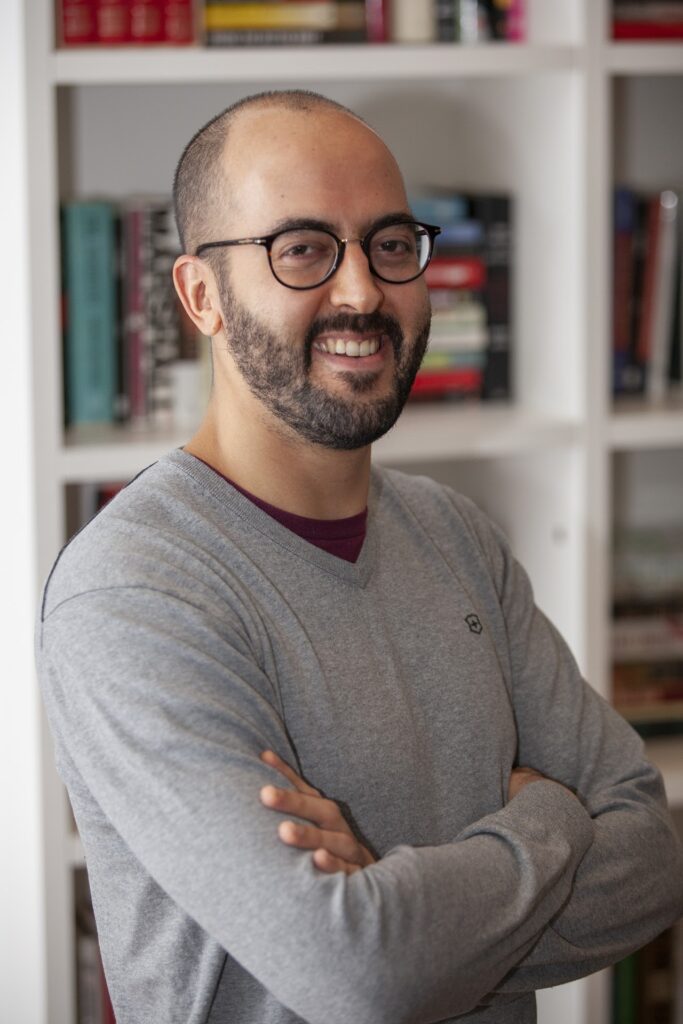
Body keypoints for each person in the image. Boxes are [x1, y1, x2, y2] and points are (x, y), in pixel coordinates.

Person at [38, 90, 683, 1024]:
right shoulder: (134, 590)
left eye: (389, 244)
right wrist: (548, 821)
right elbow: (359, 975)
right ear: (200, 297)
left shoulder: (456, 535)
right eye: (301, 249)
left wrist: (398, 900)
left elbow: (651, 860)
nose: (360, 292)